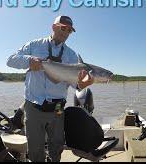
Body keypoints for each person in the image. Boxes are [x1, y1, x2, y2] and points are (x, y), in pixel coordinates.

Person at [6, 15, 94, 162]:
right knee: (35, 147)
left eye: (69, 31)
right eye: (63, 28)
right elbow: (10, 60)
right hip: (33, 106)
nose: (66, 33)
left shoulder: (71, 55)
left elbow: (74, 84)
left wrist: (81, 85)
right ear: (53, 27)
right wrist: (29, 61)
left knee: (57, 144)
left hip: (58, 108)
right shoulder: (34, 45)